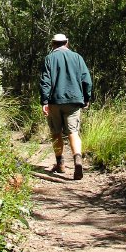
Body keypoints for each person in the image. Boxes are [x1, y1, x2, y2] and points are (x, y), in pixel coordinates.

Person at [40, 33, 92, 180]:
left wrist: (44, 101)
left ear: (53, 44)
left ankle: (60, 164)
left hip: (54, 101)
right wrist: (86, 98)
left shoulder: (49, 59)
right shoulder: (77, 57)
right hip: (74, 100)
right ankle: (77, 160)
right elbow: (86, 80)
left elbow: (45, 81)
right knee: (73, 132)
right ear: (67, 43)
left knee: (56, 132)